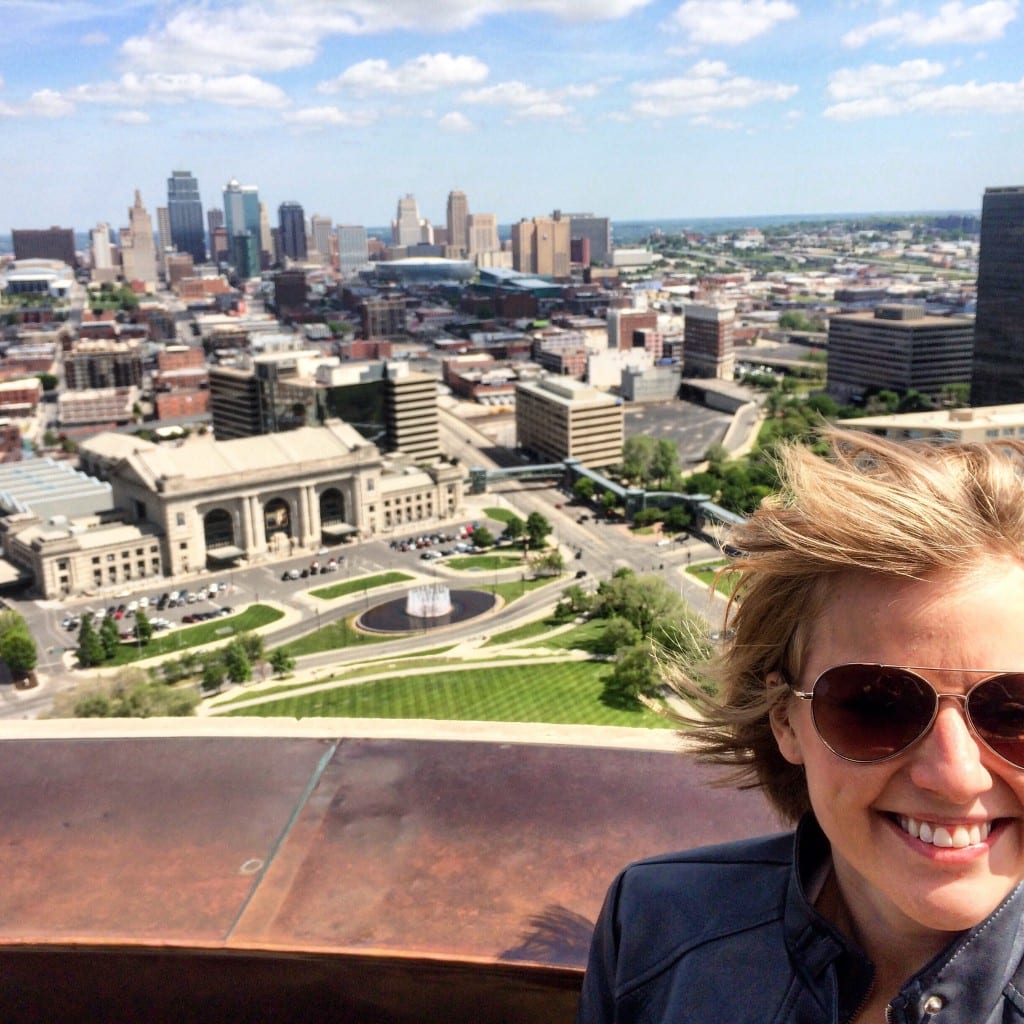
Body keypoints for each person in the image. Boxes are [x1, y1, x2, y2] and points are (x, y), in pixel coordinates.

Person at [577, 429, 1024, 1023]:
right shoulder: (654, 923)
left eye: (1013, 712)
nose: (955, 776)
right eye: (875, 706)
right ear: (785, 718)